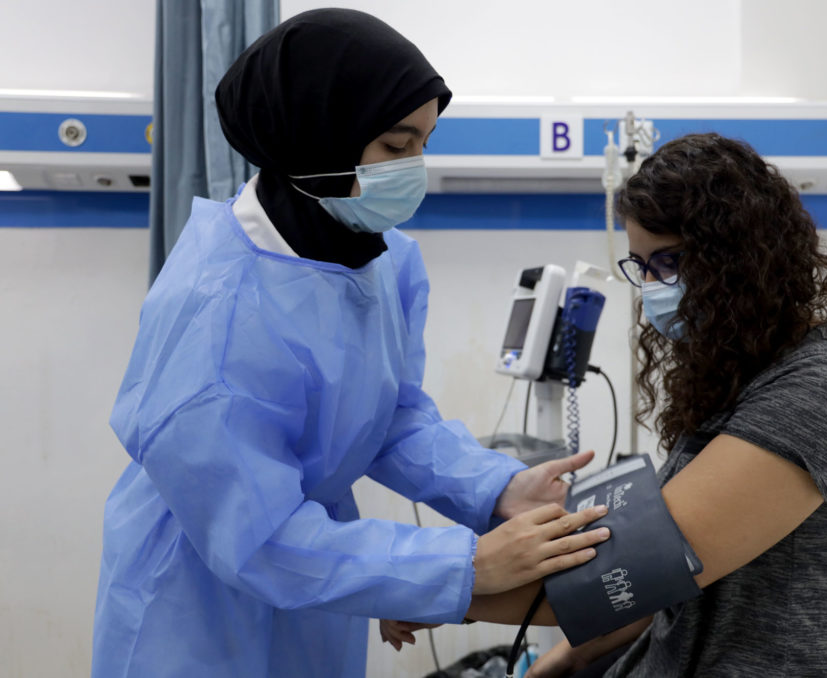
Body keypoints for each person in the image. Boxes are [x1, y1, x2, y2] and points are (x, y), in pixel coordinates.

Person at [91, 9, 608, 678]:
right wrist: (461, 566)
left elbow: (391, 416)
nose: (415, 168)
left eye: (425, 142)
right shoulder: (214, 310)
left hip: (319, 581)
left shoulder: (381, 259)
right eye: (397, 146)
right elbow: (261, 539)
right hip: (198, 600)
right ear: (319, 135)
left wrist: (498, 489)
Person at [414, 133, 827, 677]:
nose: (652, 285)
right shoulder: (736, 375)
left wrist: (434, 592)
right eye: (641, 266)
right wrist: (560, 661)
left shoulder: (826, 385)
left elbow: (636, 572)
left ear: (743, 258)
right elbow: (659, 591)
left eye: (669, 261)